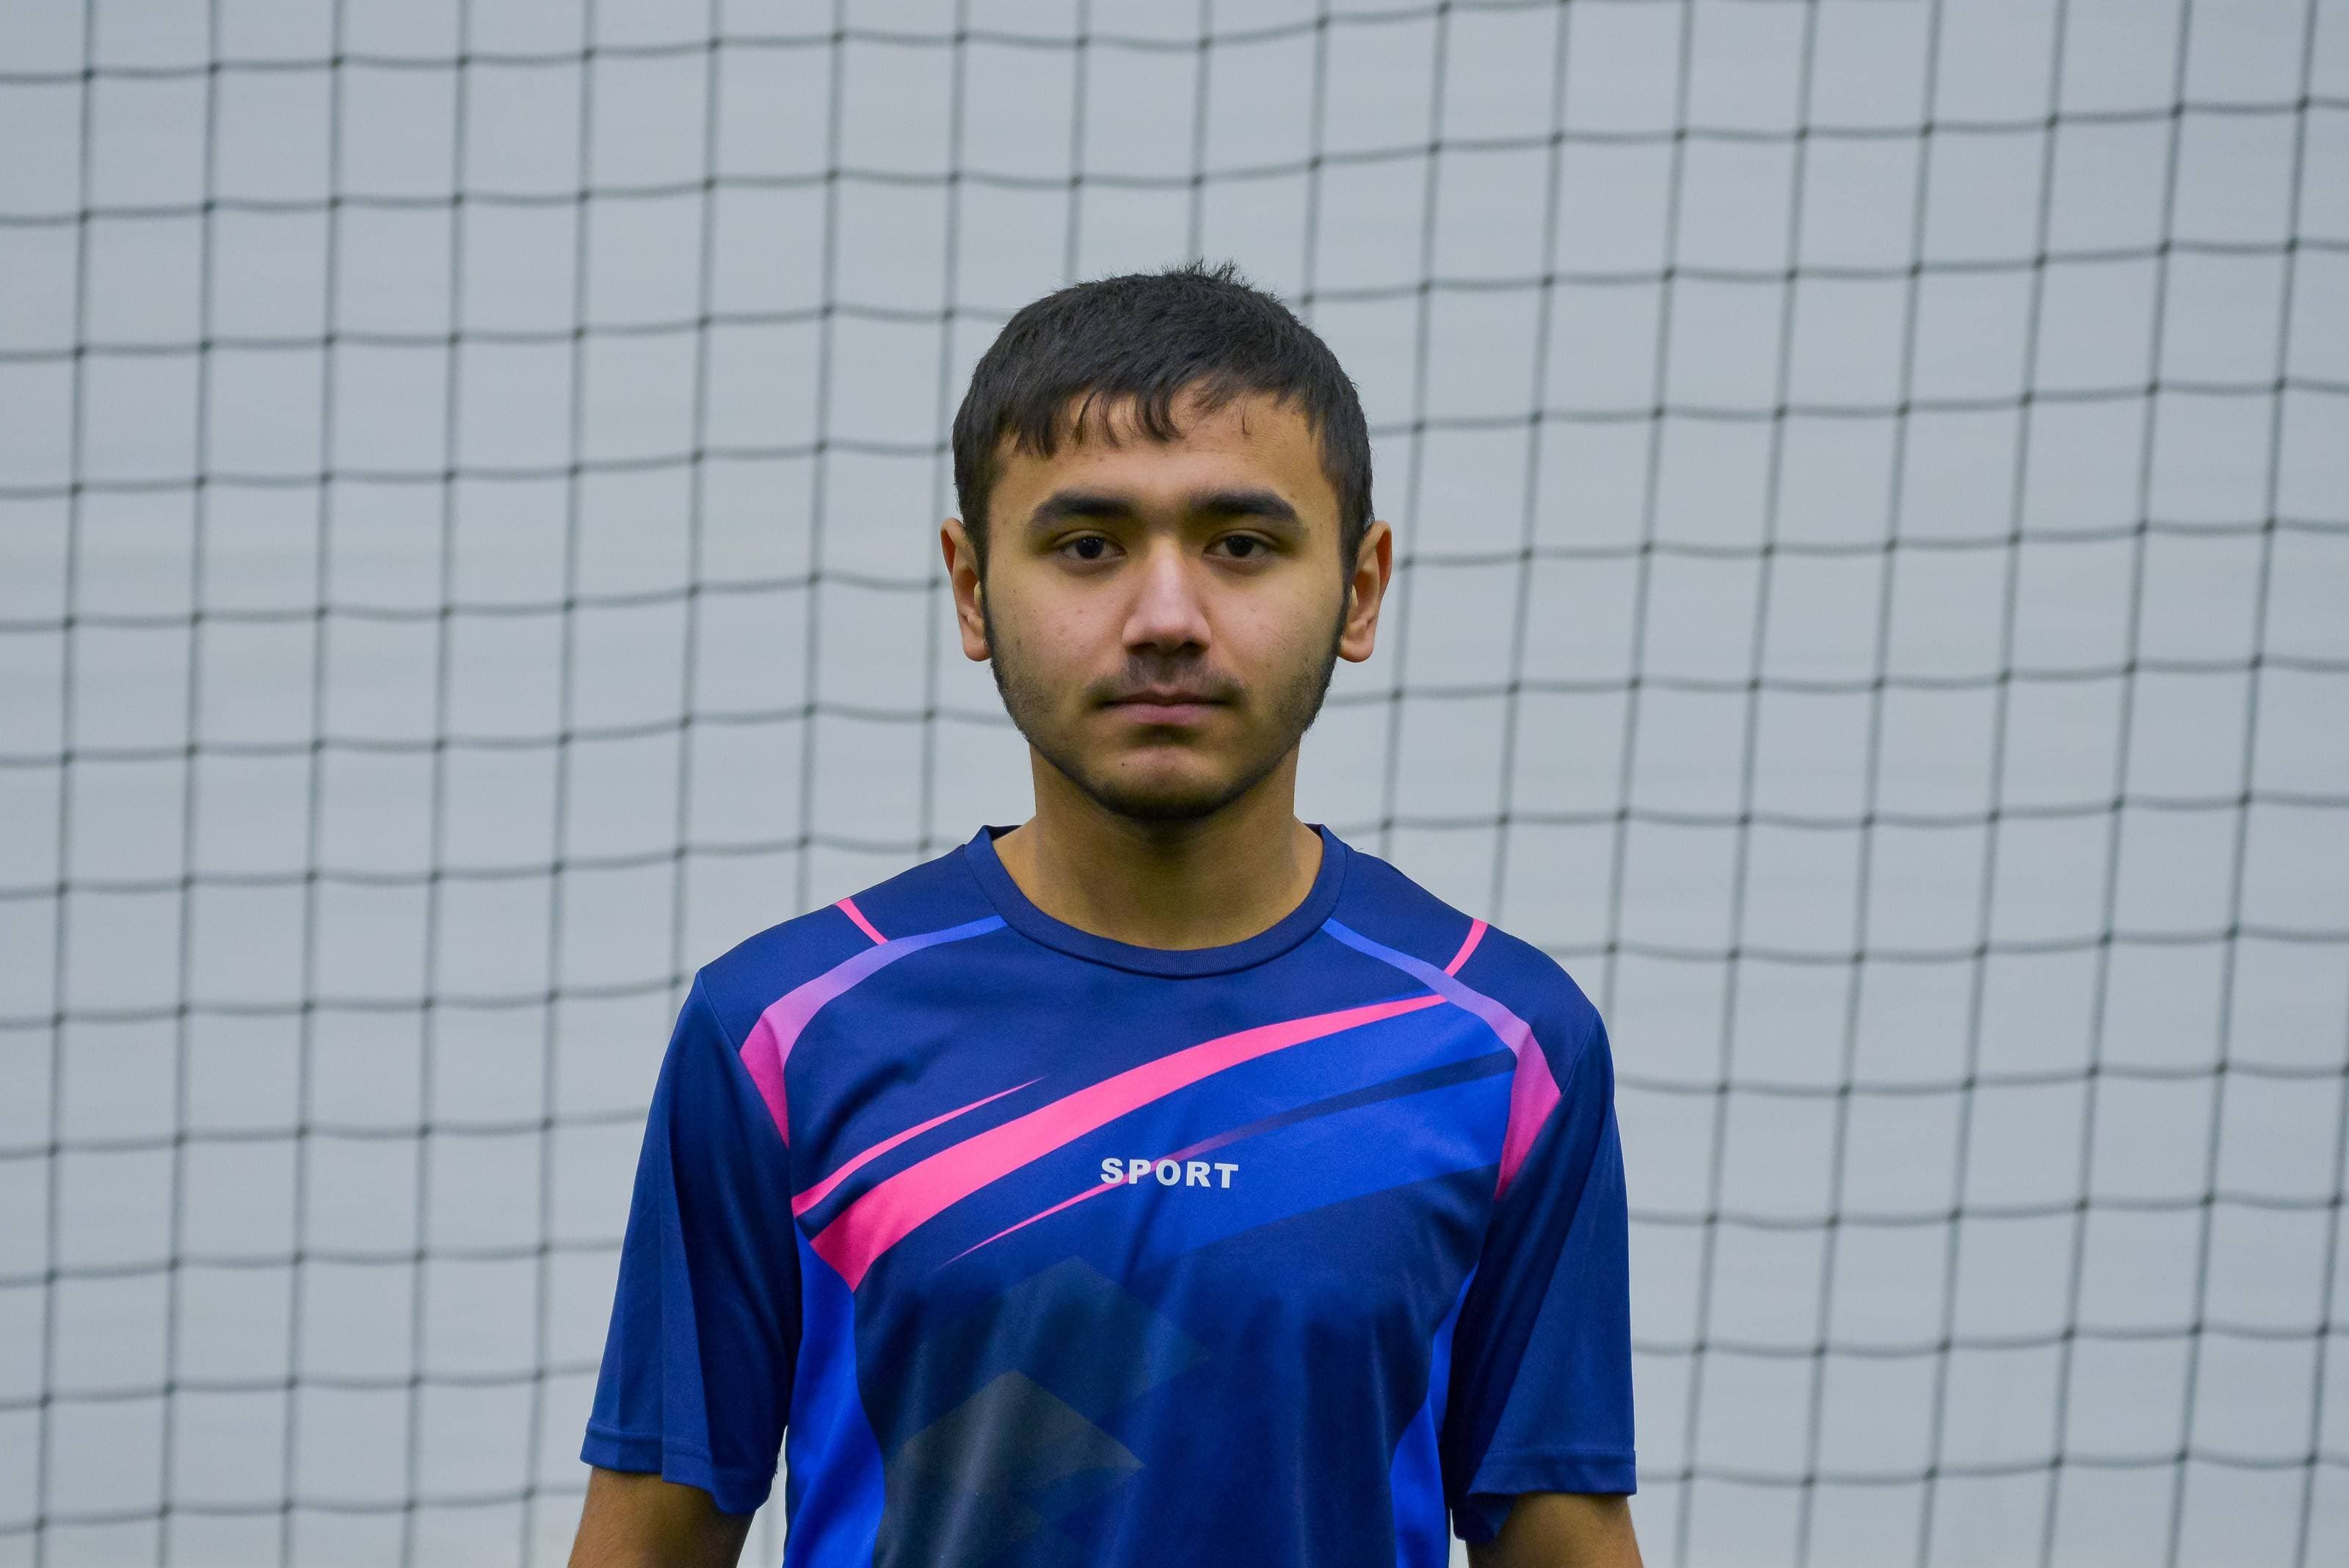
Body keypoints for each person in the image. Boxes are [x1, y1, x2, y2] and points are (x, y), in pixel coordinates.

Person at [567, 262, 1639, 1568]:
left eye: (1241, 545)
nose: (1167, 619)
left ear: (1360, 589)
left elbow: (1564, 1538)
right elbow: (649, 1540)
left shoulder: (1506, 1044)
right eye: (1088, 547)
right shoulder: (782, 1034)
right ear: (973, 588)